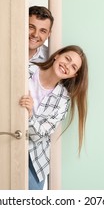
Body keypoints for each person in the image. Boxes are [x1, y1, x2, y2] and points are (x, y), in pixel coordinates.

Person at [19, 45, 88, 190]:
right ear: (57, 55)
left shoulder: (63, 100)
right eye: (67, 59)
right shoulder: (25, 70)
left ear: (73, 75)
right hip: (8, 141)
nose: (67, 66)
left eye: (73, 67)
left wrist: (30, 114)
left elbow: (40, 135)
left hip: (35, 159)